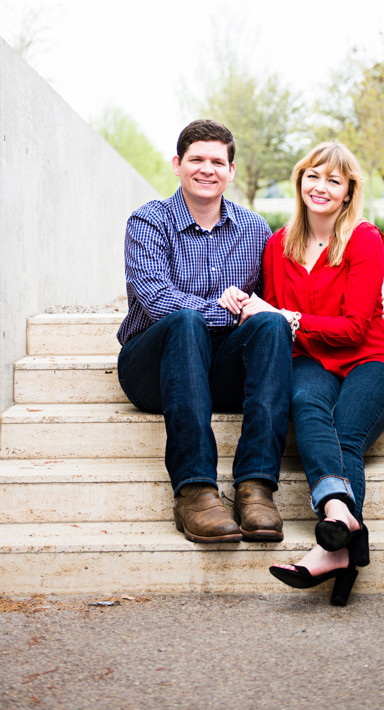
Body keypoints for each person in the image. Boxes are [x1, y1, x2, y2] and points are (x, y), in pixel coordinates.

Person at [237, 141, 384, 605]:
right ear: (300, 182)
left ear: (349, 192)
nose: (322, 187)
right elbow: (268, 315)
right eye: (314, 175)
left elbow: (354, 328)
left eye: (335, 180)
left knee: (346, 434)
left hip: (371, 362)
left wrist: (288, 318)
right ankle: (339, 518)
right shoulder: (277, 245)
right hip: (311, 360)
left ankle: (332, 547)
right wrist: (241, 303)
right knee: (305, 402)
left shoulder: (364, 239)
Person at [116, 119, 296, 545]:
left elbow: (266, 309)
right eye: (196, 159)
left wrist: (259, 311)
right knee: (184, 320)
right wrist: (223, 310)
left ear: (231, 171)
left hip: (219, 371)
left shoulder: (255, 229)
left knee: (270, 324)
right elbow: (156, 299)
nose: (207, 169)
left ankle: (256, 487)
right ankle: (195, 490)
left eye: (218, 161)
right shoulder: (147, 222)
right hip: (154, 368)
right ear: (178, 164)